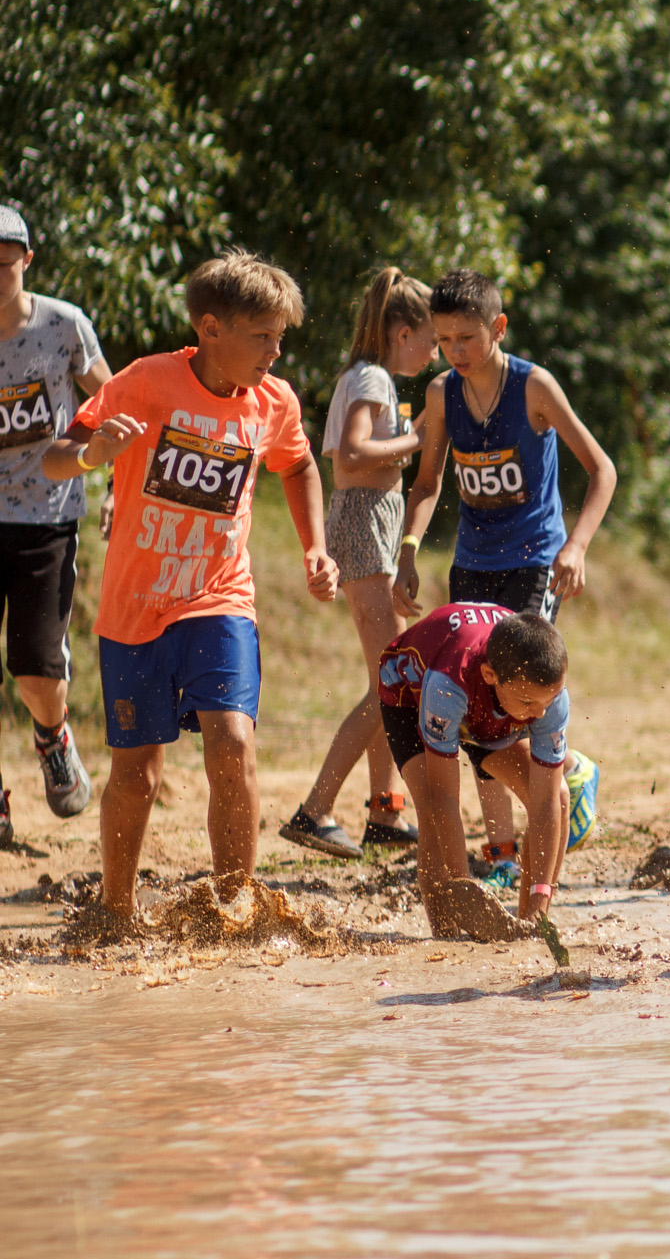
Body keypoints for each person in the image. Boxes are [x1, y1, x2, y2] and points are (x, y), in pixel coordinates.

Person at [44, 252, 339, 931]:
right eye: (262, 335)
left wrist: (314, 546)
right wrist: (92, 456)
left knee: (233, 741)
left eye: (280, 337)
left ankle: (233, 907)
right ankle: (115, 910)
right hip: (134, 607)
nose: (275, 350)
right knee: (138, 771)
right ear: (211, 328)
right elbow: (59, 453)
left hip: (220, 597)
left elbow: (297, 466)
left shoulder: (275, 402)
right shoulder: (146, 381)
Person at [395, 269, 615, 866]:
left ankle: (554, 790)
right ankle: (501, 850)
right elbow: (428, 481)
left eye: (466, 338)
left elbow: (603, 470)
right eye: (443, 341)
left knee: (514, 698)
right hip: (471, 565)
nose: (454, 352)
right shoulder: (441, 393)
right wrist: (410, 548)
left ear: (498, 328)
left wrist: (577, 546)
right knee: (475, 702)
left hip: (534, 562)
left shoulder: (534, 387)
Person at [279, 268, 434, 858]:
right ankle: (315, 810)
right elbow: (353, 450)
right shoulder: (370, 376)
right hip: (363, 519)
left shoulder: (370, 375)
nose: (435, 351)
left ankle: (384, 812)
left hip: (373, 518)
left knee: (388, 677)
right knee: (390, 682)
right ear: (401, 332)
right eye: (430, 341)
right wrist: (417, 438)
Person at [0, 205, 109, 841]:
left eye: (4, 262)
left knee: (37, 671)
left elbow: (110, 397)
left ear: (26, 261)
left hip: (45, 513)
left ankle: (51, 735)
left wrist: (103, 466)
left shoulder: (62, 325)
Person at [379, 603, 571, 941]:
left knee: (558, 796)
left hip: (485, 705)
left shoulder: (545, 699)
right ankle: (447, 935)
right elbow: (444, 799)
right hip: (411, 695)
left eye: (548, 700)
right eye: (529, 703)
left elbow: (545, 805)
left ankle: (529, 926)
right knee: (430, 809)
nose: (540, 713)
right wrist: (468, 893)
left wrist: (542, 897)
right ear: (490, 675)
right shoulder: (447, 685)